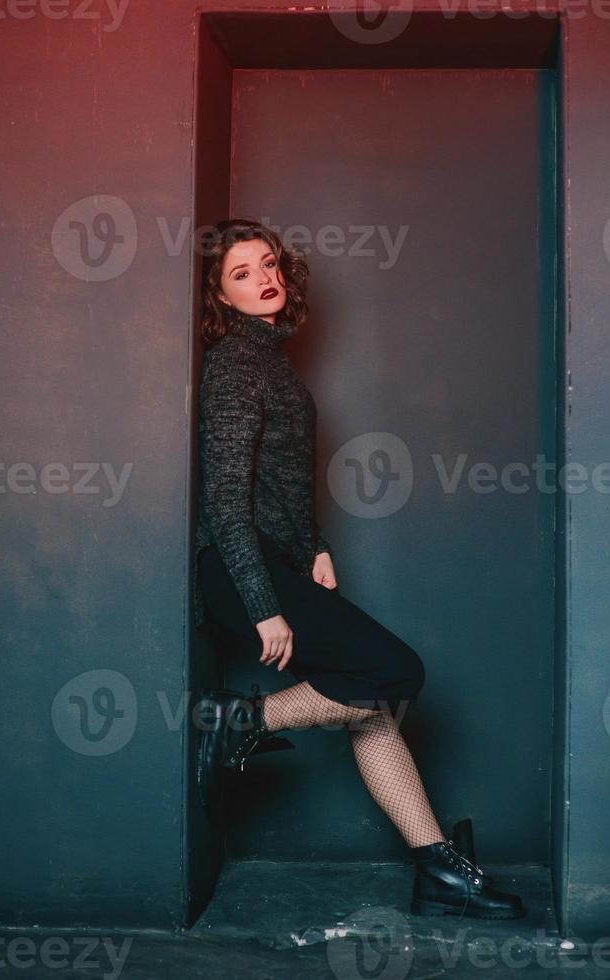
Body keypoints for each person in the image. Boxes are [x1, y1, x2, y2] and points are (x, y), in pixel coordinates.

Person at [193, 217, 525, 920]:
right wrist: (261, 602)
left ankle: (437, 869)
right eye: (242, 273)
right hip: (238, 568)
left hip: (278, 559)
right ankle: (239, 718)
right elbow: (224, 498)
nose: (264, 279)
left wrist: (313, 543)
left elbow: (278, 478)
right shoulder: (234, 365)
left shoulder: (271, 360)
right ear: (219, 297)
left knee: (370, 711)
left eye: (268, 263)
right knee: (393, 673)